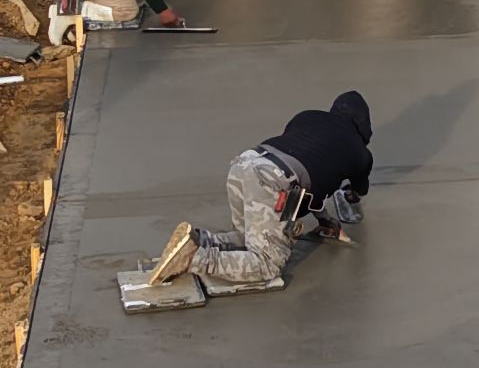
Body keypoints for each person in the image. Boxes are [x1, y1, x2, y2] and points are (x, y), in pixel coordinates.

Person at [151, 89, 372, 294]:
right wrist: (350, 196)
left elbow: (310, 166)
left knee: (246, 238)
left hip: (247, 163)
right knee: (267, 263)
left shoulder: (307, 116)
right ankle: (192, 258)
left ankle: (197, 240)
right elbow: (354, 191)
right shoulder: (361, 154)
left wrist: (324, 220)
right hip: (274, 180)